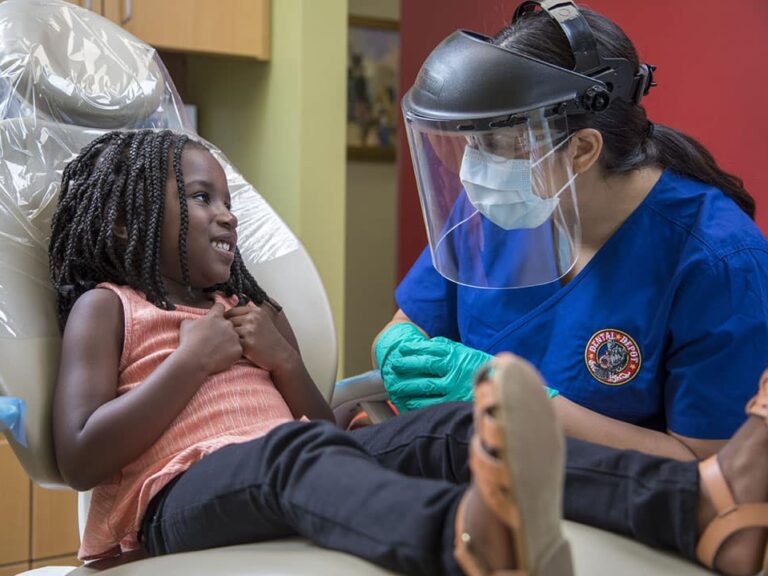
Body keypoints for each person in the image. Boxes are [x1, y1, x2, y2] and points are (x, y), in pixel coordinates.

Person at [48, 129, 766, 576]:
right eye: (201, 198)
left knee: (450, 427)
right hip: (176, 499)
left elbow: (318, 430)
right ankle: (459, 542)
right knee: (288, 457)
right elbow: (80, 455)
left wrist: (283, 360)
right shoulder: (108, 307)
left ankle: (701, 508)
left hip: (286, 464)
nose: (227, 213)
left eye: (226, 197)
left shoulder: (250, 314)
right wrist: (189, 363)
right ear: (123, 219)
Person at [374, 0, 768, 462]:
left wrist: (526, 406)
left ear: (582, 149)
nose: (475, 170)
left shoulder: (719, 261)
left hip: (623, 515)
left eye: (499, 145)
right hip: (479, 485)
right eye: (474, 143)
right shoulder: (497, 211)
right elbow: (409, 326)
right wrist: (397, 348)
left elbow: (713, 466)